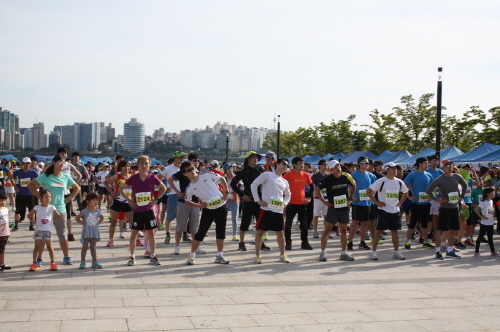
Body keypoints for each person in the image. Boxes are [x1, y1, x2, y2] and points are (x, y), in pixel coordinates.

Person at [28, 155, 80, 265]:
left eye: (64, 162)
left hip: (60, 209)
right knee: (43, 235)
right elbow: (31, 185)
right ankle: (39, 258)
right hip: (45, 210)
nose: (62, 164)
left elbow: (77, 188)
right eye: (60, 162)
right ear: (54, 163)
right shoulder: (45, 176)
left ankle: (66, 256)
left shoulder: (65, 177)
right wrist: (40, 197)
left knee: (62, 234)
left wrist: (69, 198)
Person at [119, 155, 166, 266]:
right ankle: (132, 257)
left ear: (149, 165)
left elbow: (163, 188)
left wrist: (156, 200)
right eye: (142, 163)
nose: (144, 165)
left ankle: (153, 255)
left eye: (146, 163)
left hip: (149, 210)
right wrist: (129, 201)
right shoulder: (133, 178)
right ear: (138, 165)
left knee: (151, 233)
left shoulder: (152, 177)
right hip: (137, 210)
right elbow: (121, 189)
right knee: (134, 234)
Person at [183, 161, 230, 265]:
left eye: (192, 168)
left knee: (221, 232)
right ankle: (191, 256)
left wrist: (226, 193)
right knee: (201, 233)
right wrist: (199, 206)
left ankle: (219, 255)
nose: (192, 171)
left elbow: (222, 179)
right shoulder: (190, 188)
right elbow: (187, 201)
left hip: (221, 206)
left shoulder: (206, 174)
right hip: (208, 210)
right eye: (188, 171)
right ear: (185, 174)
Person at [251, 158, 291, 264]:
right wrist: (258, 200)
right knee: (260, 232)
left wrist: (285, 203)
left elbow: (288, 195)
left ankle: (282, 254)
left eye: (287, 165)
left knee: (280, 233)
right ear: (277, 164)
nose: (285, 166)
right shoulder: (267, 175)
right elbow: (254, 184)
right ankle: (257, 255)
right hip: (266, 209)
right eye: (284, 164)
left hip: (278, 210)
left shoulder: (285, 181)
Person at [426, 160, 468, 260]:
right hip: (445, 208)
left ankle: (450, 250)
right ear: (443, 168)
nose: (450, 167)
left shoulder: (457, 176)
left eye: (451, 165)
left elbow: (465, 185)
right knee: (440, 230)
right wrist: (437, 200)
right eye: (447, 166)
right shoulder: (439, 179)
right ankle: (437, 251)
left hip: (455, 207)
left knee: (453, 229)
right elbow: (428, 190)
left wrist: (461, 196)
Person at [367, 162, 408, 261]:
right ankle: (373, 252)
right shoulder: (381, 181)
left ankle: (396, 252)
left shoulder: (399, 182)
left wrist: (400, 202)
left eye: (396, 169)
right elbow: (369, 191)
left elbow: (405, 193)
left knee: (395, 231)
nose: (395, 170)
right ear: (387, 169)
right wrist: (376, 202)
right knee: (378, 231)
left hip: (395, 211)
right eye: (393, 168)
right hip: (383, 210)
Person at [315, 160, 355, 261]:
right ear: (331, 169)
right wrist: (324, 202)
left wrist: (350, 197)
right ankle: (323, 253)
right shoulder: (328, 179)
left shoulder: (346, 176)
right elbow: (317, 190)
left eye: (338, 165)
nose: (338, 167)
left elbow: (353, 185)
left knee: (343, 230)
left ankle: (344, 253)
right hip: (333, 208)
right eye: (335, 166)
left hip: (344, 207)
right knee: (327, 229)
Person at [168, 154, 205, 255]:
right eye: (194, 160)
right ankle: (177, 247)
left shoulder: (199, 174)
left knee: (194, 226)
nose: (196, 162)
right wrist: (177, 191)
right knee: (180, 225)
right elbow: (170, 180)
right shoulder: (182, 172)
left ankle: (196, 246)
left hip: (196, 203)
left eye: (198, 160)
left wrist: (202, 198)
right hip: (183, 202)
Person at [230, 151, 266, 251]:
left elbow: (266, 183)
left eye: (257, 158)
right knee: (245, 222)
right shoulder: (243, 171)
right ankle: (241, 242)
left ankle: (261, 242)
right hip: (249, 200)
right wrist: (242, 195)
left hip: (259, 200)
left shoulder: (260, 170)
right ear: (248, 159)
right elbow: (233, 184)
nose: (256, 159)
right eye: (253, 157)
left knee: (260, 222)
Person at [403, 157, 434, 249]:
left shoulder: (429, 175)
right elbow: (404, 186)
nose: (427, 165)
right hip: (416, 203)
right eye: (426, 163)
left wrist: (431, 196)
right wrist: (409, 196)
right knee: (413, 223)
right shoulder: (413, 174)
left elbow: (432, 188)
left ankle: (425, 241)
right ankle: (408, 241)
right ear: (420, 164)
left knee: (425, 223)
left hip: (426, 203)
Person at [283, 156, 314, 250]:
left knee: (304, 225)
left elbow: (311, 187)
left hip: (302, 204)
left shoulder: (305, 175)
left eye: (303, 163)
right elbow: (280, 184)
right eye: (300, 163)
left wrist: (309, 197)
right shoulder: (288, 174)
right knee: (288, 224)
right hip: (291, 203)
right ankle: (288, 242)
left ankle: (304, 242)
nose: (302, 165)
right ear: (294, 165)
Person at [26, 189, 61, 271]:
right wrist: (33, 222)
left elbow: (59, 216)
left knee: (50, 247)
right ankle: (34, 263)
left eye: (49, 196)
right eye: (46, 197)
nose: (48, 198)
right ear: (41, 198)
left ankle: (53, 263)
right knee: (37, 247)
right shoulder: (37, 207)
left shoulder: (52, 207)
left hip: (48, 230)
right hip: (38, 230)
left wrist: (52, 222)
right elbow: (29, 215)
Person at [348, 156, 377, 251]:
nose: (367, 165)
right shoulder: (354, 174)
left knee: (365, 223)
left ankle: (362, 241)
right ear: (360, 163)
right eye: (365, 163)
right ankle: (350, 241)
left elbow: (374, 188)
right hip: (358, 203)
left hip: (367, 203)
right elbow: (349, 186)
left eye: (368, 163)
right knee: (355, 222)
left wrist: (372, 198)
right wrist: (351, 197)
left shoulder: (371, 176)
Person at [157, 151, 186, 244]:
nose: (182, 159)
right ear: (175, 158)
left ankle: (184, 235)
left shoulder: (185, 168)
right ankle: (168, 234)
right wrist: (164, 189)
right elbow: (157, 178)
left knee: (183, 216)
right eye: (180, 157)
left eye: (183, 157)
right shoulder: (168, 169)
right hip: (172, 195)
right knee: (170, 216)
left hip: (184, 195)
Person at [104, 160, 133, 247]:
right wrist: (112, 193)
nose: (127, 168)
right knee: (113, 221)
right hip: (117, 201)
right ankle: (110, 240)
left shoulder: (132, 177)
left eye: (128, 166)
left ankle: (136, 239)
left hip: (128, 202)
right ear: (120, 167)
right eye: (124, 166)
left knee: (131, 222)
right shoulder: (117, 176)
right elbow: (105, 182)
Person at [76, 192, 104, 268]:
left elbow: (102, 217)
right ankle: (82, 262)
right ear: (88, 201)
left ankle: (94, 261)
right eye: (94, 200)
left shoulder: (97, 211)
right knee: (84, 248)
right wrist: (83, 223)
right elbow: (77, 218)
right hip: (86, 232)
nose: (96, 202)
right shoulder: (85, 211)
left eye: (96, 200)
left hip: (94, 232)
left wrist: (97, 223)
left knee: (93, 247)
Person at [11, 157, 39, 231]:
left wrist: (35, 189)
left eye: (28, 163)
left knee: (31, 210)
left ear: (30, 163)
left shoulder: (33, 172)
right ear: (22, 164)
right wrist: (15, 186)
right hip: (20, 194)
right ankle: (16, 225)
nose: (27, 165)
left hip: (30, 195)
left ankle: (31, 225)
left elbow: (40, 181)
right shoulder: (18, 172)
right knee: (18, 210)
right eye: (25, 163)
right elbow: (11, 177)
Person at [473, 188, 498, 257]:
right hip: (484, 223)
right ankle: (476, 252)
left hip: (490, 222)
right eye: (493, 193)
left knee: (490, 237)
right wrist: (481, 217)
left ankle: (493, 251)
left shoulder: (491, 201)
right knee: (480, 237)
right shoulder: (483, 202)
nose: (494, 194)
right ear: (488, 194)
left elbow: (491, 211)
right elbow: (476, 210)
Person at [311, 159, 330, 238]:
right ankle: (315, 231)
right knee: (316, 215)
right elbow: (310, 185)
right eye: (324, 164)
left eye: (326, 164)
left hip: (327, 198)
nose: (326, 166)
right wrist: (313, 192)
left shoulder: (328, 175)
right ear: (319, 165)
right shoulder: (315, 175)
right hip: (318, 198)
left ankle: (327, 232)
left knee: (327, 216)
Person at [223, 163, 240, 241]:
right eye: (228, 169)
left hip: (234, 199)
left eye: (231, 168)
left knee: (234, 218)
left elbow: (242, 185)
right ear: (225, 170)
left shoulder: (236, 177)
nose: (230, 170)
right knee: (223, 217)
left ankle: (235, 234)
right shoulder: (223, 178)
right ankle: (222, 233)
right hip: (225, 199)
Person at [0, 191, 11, 271]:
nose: (3, 202)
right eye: (1, 200)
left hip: (5, 233)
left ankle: (2, 264)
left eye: (4, 200)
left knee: (2, 249)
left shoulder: (6, 209)